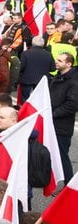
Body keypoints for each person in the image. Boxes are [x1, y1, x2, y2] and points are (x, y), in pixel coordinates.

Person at [49, 52, 78, 180]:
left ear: (69, 64)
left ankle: (69, 187)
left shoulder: (73, 82)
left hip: (62, 126)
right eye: (57, 59)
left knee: (62, 157)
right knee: (53, 155)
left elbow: (72, 105)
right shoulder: (57, 77)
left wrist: (53, 114)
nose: (56, 62)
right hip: (52, 124)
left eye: (60, 60)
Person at [19, 37, 55, 102]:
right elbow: (53, 69)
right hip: (42, 81)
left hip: (27, 79)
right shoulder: (48, 54)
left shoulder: (25, 53)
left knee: (26, 100)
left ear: (32, 43)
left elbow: (21, 67)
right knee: (39, 101)